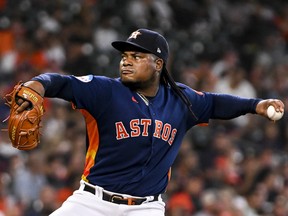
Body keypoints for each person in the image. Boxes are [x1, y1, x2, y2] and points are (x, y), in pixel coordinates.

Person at [14, 29, 284, 216]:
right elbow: (63, 83)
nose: (126, 62)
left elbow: (214, 103)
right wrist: (36, 84)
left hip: (146, 208)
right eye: (124, 57)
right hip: (92, 202)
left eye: (136, 57)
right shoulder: (106, 91)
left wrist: (255, 105)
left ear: (158, 64)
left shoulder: (180, 99)